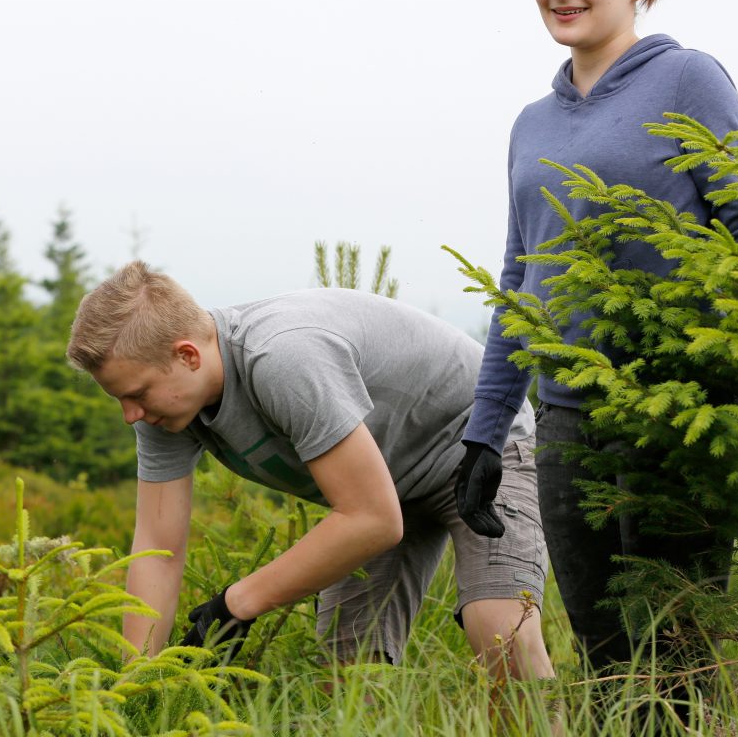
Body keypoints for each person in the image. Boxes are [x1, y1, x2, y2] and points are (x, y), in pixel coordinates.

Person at [456, 0, 738, 670]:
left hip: (677, 416)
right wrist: (484, 435)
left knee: (678, 657)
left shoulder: (688, 81)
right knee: (604, 660)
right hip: (567, 424)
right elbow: (517, 280)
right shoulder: (532, 123)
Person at [67, 261, 554, 679]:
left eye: (137, 394)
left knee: (500, 632)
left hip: (478, 447)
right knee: (348, 674)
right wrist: (139, 683)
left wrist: (235, 604)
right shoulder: (165, 410)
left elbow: (371, 519)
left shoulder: (281, 358)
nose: (131, 414)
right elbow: (158, 547)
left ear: (187, 355)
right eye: (121, 400)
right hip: (383, 482)